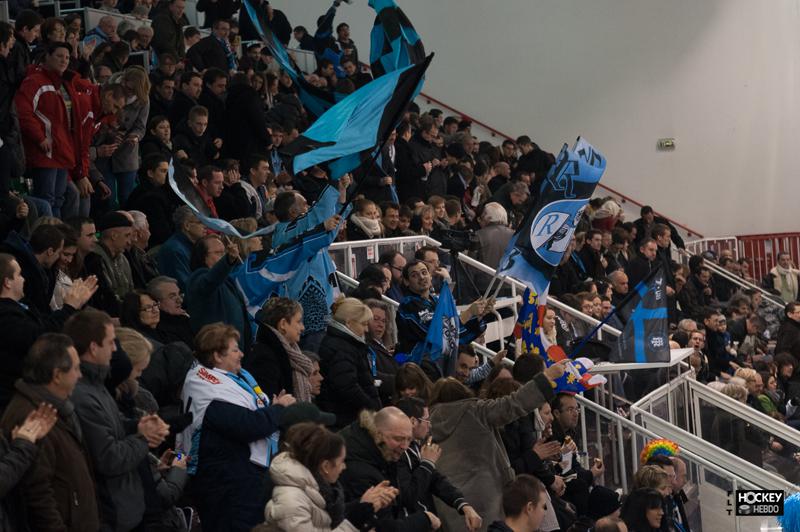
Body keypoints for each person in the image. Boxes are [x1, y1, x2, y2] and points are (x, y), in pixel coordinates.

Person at [178, 323, 296, 532]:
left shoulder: (223, 378)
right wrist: (279, 409)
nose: (241, 354)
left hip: (237, 480)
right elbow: (248, 425)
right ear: (217, 356)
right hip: (227, 486)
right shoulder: (210, 388)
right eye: (235, 350)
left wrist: (270, 408)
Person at [427, 362, 566, 530]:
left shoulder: (425, 426)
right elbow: (514, 403)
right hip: (488, 500)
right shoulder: (475, 410)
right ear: (463, 394)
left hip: (449, 506)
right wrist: (547, 377)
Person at [65, 309, 169, 532]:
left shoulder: (97, 384)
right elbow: (108, 458)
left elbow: (113, 428)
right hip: (112, 515)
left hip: (127, 509)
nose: (115, 349)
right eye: (111, 342)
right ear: (94, 347)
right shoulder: (83, 395)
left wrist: (137, 426)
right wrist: (144, 438)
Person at [0, 333, 99, 531]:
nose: (80, 375)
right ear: (57, 375)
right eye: (76, 368)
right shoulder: (32, 416)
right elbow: (38, 493)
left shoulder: (55, 408)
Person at [0, 252, 97, 408]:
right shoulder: (5, 316)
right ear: (7, 282)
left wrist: (74, 305)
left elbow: (44, 322)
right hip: (18, 400)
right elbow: (42, 338)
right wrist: (69, 307)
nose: (23, 279)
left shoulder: (21, 305)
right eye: (19, 275)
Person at [264, 422, 399, 531]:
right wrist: (354, 522)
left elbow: (327, 520)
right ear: (326, 466)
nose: (344, 467)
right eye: (341, 462)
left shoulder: (321, 490)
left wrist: (363, 505)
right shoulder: (292, 503)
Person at [338, 406, 442, 531]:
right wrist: (425, 519)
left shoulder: (382, 450)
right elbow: (383, 527)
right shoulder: (360, 470)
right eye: (398, 439)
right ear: (378, 434)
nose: (404, 446)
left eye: (409, 439)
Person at [394, 396, 483, 530]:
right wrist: (427, 463)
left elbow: (434, 479)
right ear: (413, 421)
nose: (429, 425)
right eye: (427, 420)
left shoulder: (414, 446)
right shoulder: (397, 453)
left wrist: (463, 505)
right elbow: (409, 497)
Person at [317, 298, 382, 429]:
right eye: (363, 324)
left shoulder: (347, 344)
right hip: (343, 419)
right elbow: (347, 386)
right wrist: (371, 407)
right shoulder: (341, 347)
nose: (366, 329)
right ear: (349, 323)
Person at [186, 234, 252, 351]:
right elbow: (210, 281)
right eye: (218, 253)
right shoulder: (197, 278)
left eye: (224, 252)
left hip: (235, 349)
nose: (223, 256)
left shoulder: (226, 280)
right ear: (203, 257)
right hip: (218, 350)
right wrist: (228, 260)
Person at [246, 297, 315, 401]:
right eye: (298, 322)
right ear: (283, 324)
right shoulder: (265, 358)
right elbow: (266, 400)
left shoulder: (286, 353)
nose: (303, 328)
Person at [83, 211, 134, 316]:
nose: (129, 242)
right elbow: (105, 299)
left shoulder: (123, 259)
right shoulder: (94, 258)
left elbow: (130, 292)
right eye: (127, 235)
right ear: (114, 235)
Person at [126, 153, 175, 247]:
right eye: (163, 171)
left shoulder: (155, 191)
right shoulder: (150, 198)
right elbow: (162, 232)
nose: (167, 175)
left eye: (167, 171)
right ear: (150, 173)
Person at [157, 206, 206, 292]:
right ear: (187, 226)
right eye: (200, 222)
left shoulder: (193, 245)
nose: (205, 226)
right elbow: (185, 286)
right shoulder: (174, 250)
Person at [147, 275, 194, 347]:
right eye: (172, 296)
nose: (180, 300)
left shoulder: (184, 318)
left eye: (179, 294)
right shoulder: (161, 332)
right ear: (157, 302)